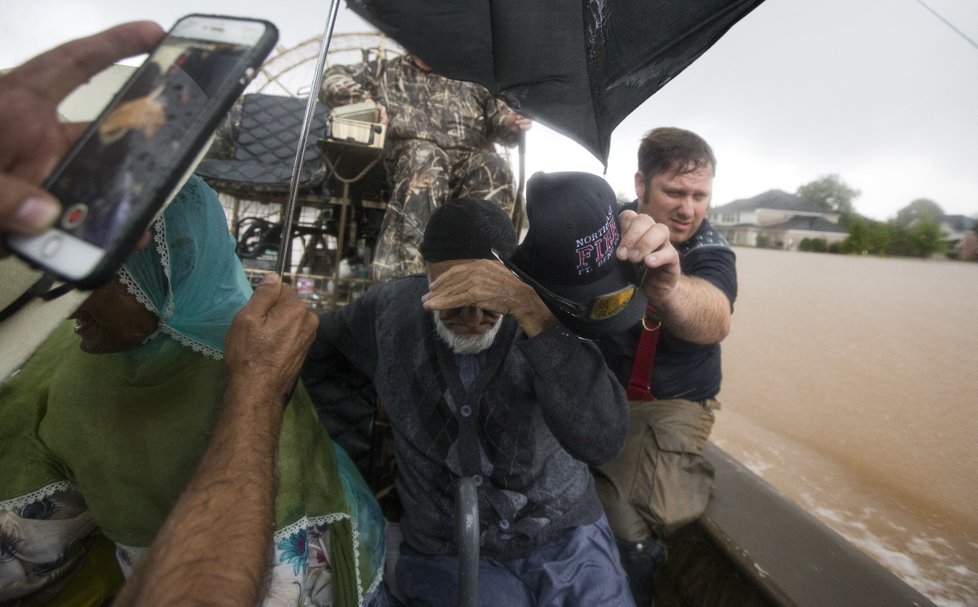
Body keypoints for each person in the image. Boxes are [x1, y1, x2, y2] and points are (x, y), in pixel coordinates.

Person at [0, 177, 386, 606]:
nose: (66, 299)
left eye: (94, 274)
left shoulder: (252, 375)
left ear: (165, 271)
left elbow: (281, 584)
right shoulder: (73, 357)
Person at [302, 196, 634, 606]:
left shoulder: (546, 312)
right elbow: (314, 354)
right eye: (455, 291)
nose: (476, 315)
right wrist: (342, 443)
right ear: (425, 272)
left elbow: (603, 441)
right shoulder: (389, 311)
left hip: (565, 538)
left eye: (491, 295)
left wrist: (532, 314)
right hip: (444, 549)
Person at [591, 127, 737, 606]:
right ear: (640, 184)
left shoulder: (711, 251)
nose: (688, 209)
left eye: (700, 196)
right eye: (674, 192)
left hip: (673, 405)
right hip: (602, 392)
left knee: (622, 513)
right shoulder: (602, 231)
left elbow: (715, 318)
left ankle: (634, 590)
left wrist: (671, 289)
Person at [320, 52, 531, 282]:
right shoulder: (384, 70)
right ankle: (404, 281)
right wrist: (363, 100)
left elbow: (499, 122)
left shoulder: (473, 77)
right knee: (426, 159)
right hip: (407, 157)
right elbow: (331, 77)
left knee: (495, 167)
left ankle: (479, 279)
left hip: (467, 158)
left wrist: (512, 121)